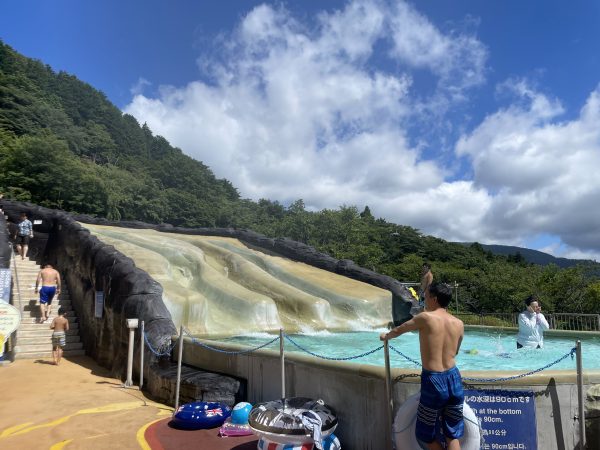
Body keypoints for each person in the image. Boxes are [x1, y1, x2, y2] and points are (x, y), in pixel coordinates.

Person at [381, 282, 465, 450]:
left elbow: (400, 330)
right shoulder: (458, 323)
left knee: (425, 434)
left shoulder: (425, 317)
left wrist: (386, 336)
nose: (424, 299)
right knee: (452, 433)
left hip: (434, 380)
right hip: (454, 378)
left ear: (434, 299)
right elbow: (455, 351)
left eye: (426, 296)